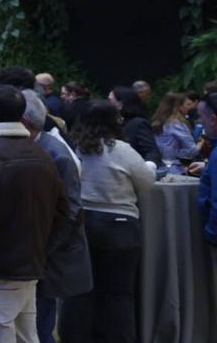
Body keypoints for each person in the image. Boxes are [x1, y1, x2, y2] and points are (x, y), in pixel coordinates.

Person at [0, 86, 70, 343]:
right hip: (31, 264)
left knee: (0, 333)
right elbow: (65, 212)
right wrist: (42, 248)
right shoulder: (42, 153)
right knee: (27, 335)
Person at [60, 101, 155, 343]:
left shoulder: (75, 148)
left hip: (83, 223)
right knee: (119, 294)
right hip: (120, 226)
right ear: (116, 121)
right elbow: (146, 183)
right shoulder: (122, 150)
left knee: (78, 290)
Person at [21, 90, 91, 343]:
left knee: (41, 322)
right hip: (43, 251)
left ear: (25, 123)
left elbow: (71, 209)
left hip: (52, 253)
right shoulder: (39, 147)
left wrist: (46, 247)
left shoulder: (55, 154)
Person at [110, 86, 163, 167]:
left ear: (120, 104)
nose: (106, 104)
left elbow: (152, 152)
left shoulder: (138, 124)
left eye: (110, 101)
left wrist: (148, 168)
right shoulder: (112, 122)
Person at [151, 92, 200, 174]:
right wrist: (200, 143)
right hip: (175, 169)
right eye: (185, 104)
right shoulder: (176, 123)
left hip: (159, 167)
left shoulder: (158, 121)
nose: (187, 107)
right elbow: (192, 150)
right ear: (179, 106)